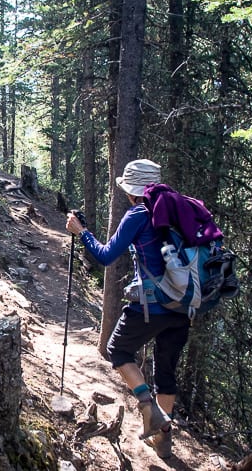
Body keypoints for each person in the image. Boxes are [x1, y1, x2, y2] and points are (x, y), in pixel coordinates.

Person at [65, 159, 189, 459]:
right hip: (183, 305)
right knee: (166, 372)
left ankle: (151, 411)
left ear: (132, 191)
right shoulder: (177, 211)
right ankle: (163, 440)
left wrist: (81, 231)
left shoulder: (138, 214)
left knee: (118, 350)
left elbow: (106, 256)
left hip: (152, 304)